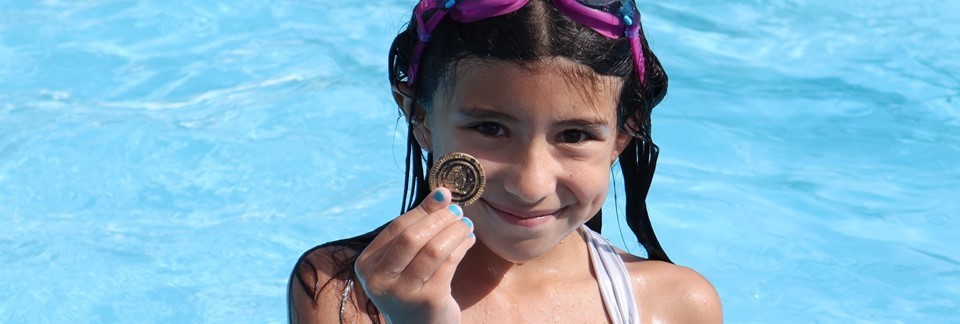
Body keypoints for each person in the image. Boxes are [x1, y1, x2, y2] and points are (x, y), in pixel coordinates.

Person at [288, 0, 722, 322]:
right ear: (419, 117)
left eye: (574, 135)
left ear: (620, 139)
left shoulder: (673, 306)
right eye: (491, 129)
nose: (530, 185)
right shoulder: (343, 292)